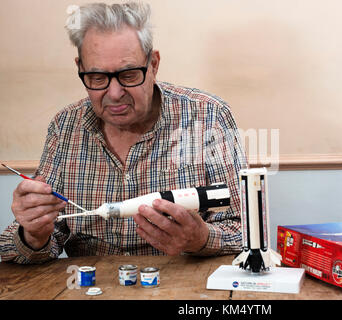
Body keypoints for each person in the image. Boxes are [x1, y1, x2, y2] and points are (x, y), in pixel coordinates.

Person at [0, 2, 247, 264]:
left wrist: (202, 239)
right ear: (80, 68)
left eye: (129, 75)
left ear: (153, 64)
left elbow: (247, 230)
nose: (115, 93)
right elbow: (25, 245)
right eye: (97, 77)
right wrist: (34, 236)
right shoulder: (65, 127)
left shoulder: (207, 116)